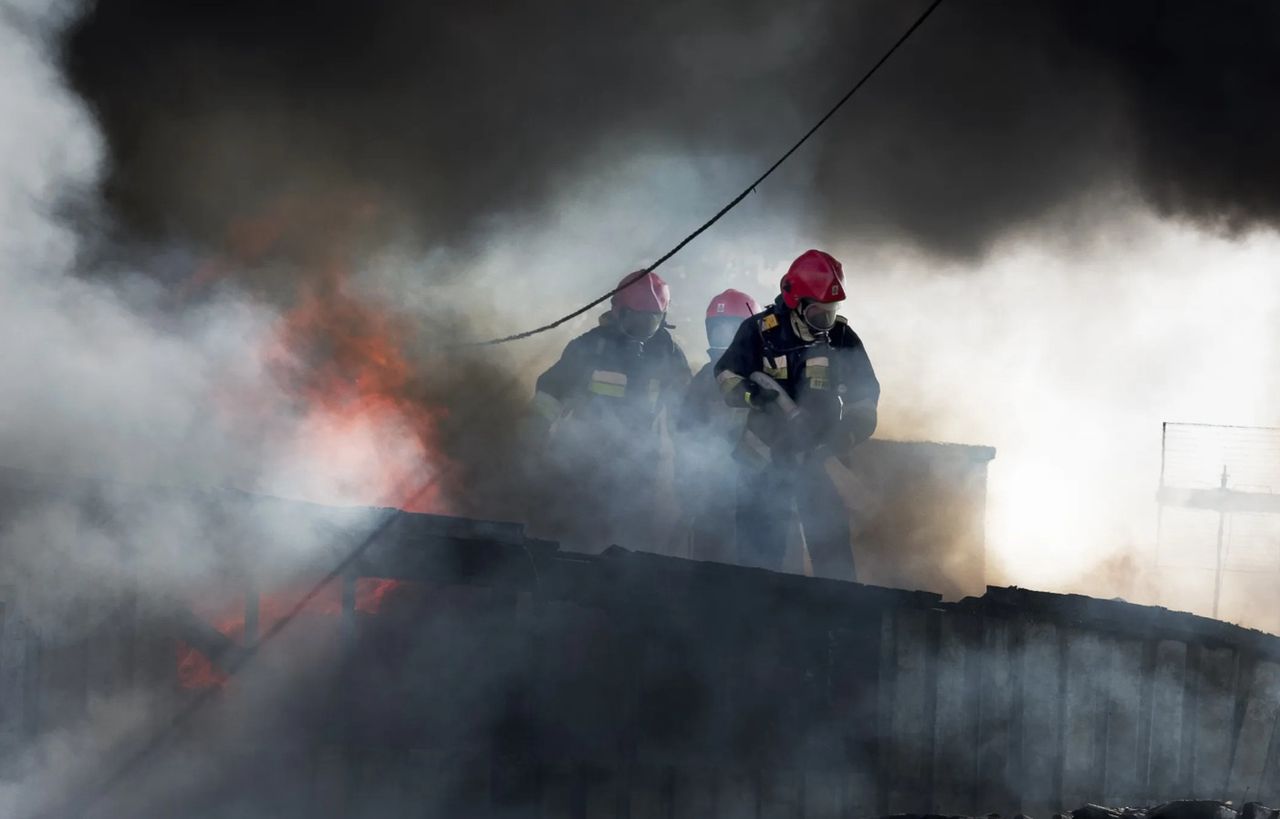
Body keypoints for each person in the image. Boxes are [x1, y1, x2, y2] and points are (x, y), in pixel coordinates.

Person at [713, 250, 879, 580]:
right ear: (795, 301)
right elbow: (726, 376)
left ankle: (835, 622)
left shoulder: (842, 340)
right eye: (819, 313)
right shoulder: (759, 332)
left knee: (832, 557)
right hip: (762, 459)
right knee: (759, 558)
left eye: (832, 313)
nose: (826, 323)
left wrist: (841, 438)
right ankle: (754, 619)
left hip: (818, 461)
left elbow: (865, 402)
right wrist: (752, 394)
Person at [526, 270, 692, 552]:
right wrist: (534, 442)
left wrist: (687, 474)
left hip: (639, 470)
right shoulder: (589, 347)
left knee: (629, 547)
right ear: (618, 312)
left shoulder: (668, 354)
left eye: (651, 320)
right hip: (586, 463)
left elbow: (685, 416)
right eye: (636, 319)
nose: (643, 329)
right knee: (580, 540)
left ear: (663, 317)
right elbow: (550, 393)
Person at [673, 289, 763, 563]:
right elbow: (685, 432)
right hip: (712, 491)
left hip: (757, 489)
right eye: (717, 329)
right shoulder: (704, 378)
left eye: (730, 329)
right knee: (708, 562)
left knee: (759, 562)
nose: (723, 337)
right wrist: (689, 486)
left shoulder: (769, 370)